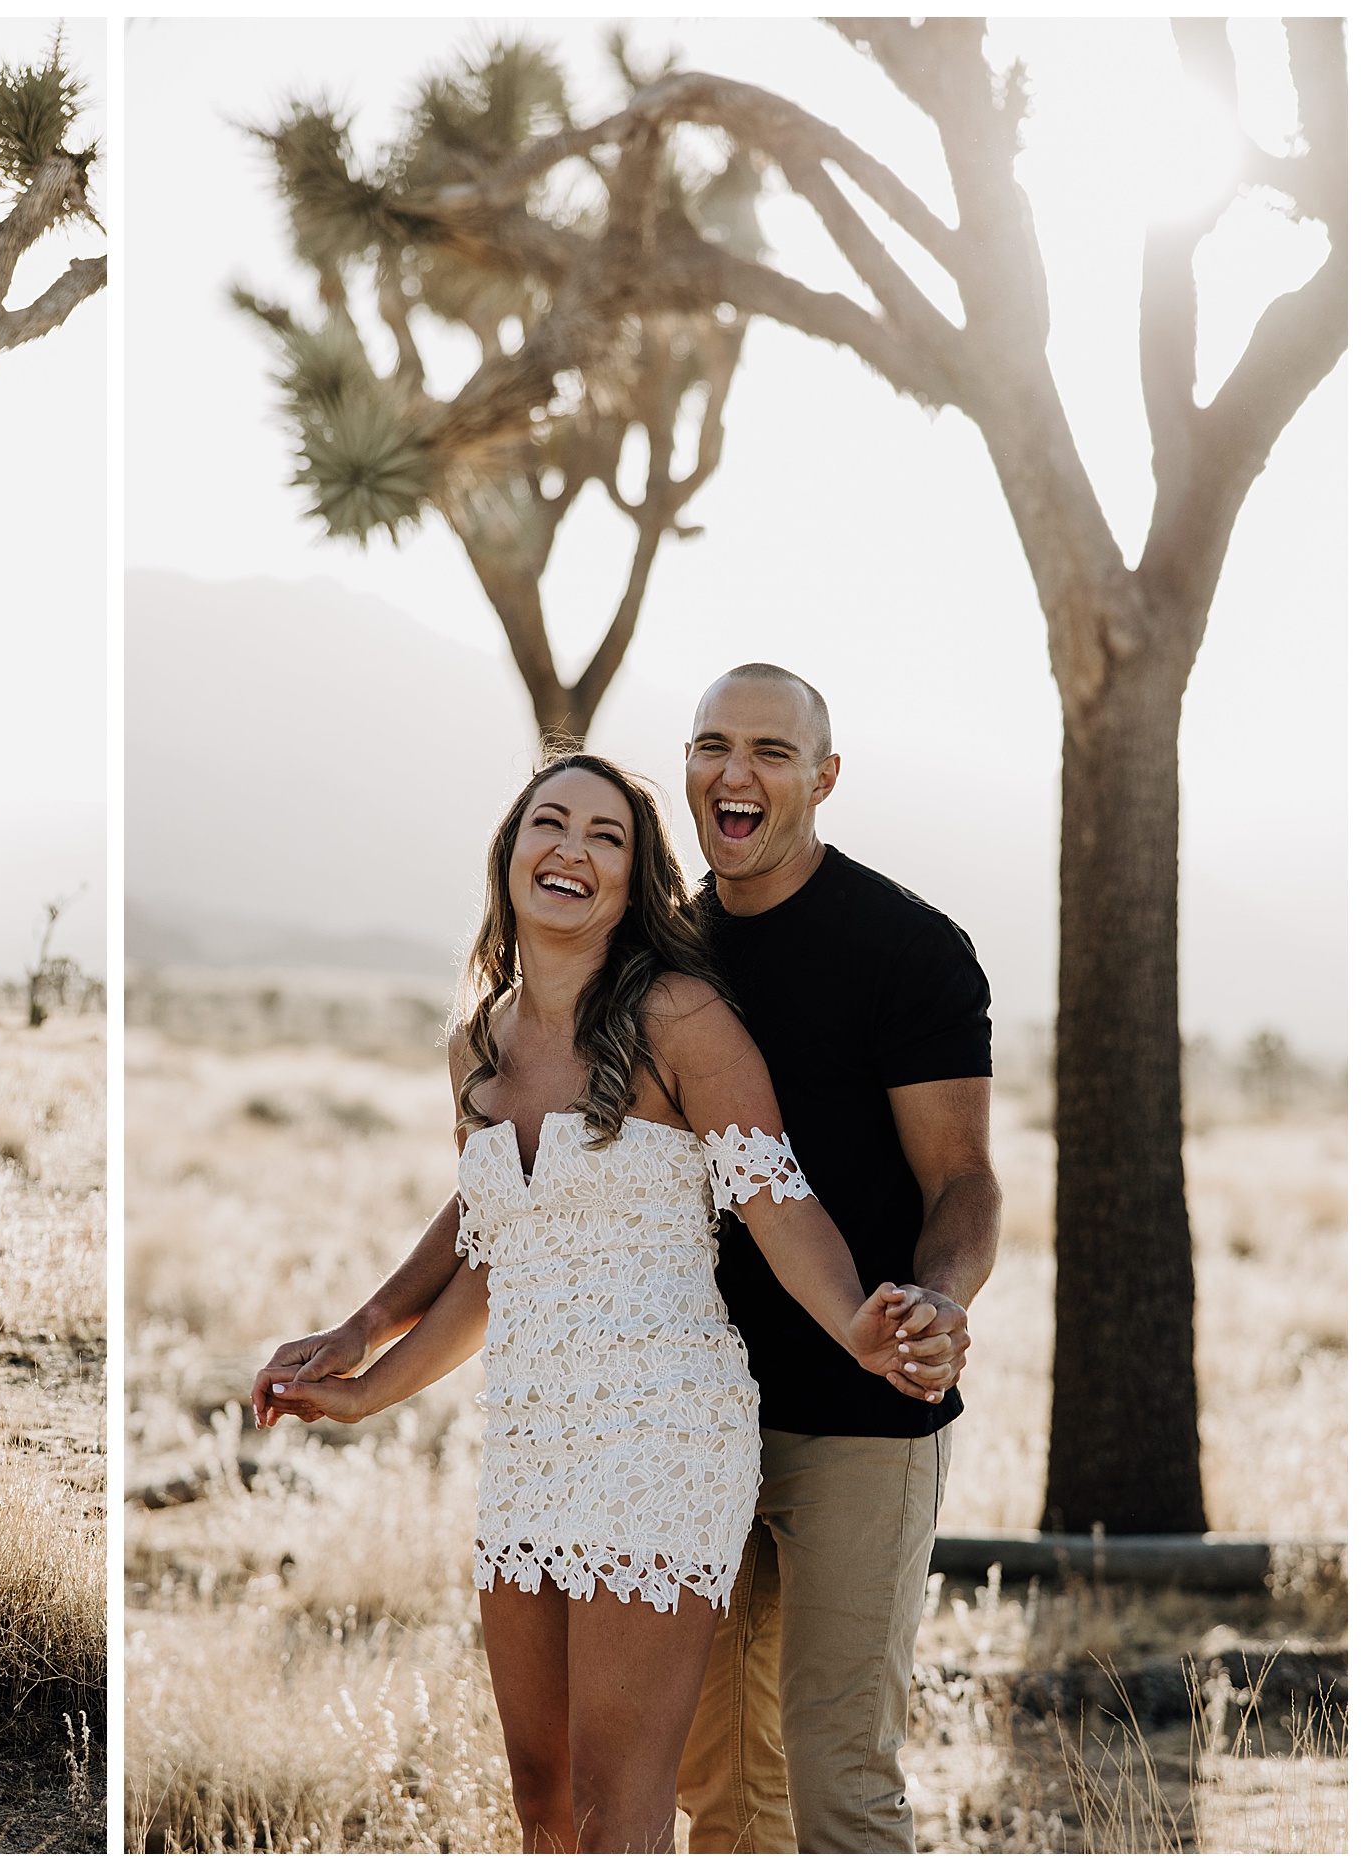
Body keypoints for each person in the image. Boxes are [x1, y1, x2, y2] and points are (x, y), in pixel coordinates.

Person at [258, 666, 999, 1851]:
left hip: (722, 1423)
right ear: (506, 852)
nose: (571, 848)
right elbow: (501, 1240)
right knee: (579, 1797)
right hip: (536, 1437)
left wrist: (884, 1313)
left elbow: (787, 1191)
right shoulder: (486, 1042)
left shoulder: (740, 995)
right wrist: (364, 1362)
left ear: (823, 777)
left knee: (778, 1783)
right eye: (547, 822)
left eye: (605, 832)